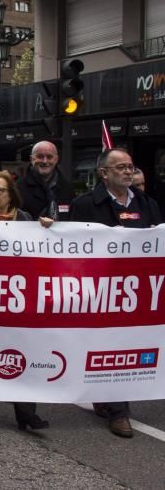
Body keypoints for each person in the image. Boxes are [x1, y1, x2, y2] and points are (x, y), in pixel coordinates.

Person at [68, 148, 162, 438]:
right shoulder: (84, 204)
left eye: (130, 167)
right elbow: (72, 244)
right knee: (100, 343)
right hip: (99, 288)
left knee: (125, 344)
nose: (127, 171)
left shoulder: (147, 204)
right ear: (104, 173)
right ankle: (104, 394)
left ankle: (120, 412)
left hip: (134, 291)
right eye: (120, 167)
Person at [0, 171, 51, 431]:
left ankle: (26, 412)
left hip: (18, 302)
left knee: (23, 353)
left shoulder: (26, 220)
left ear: (10, 194)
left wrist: (48, 228)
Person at [16, 141, 74, 221]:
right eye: (40, 156)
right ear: (31, 159)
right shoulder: (18, 188)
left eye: (49, 157)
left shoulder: (67, 188)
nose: (45, 161)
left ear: (56, 159)